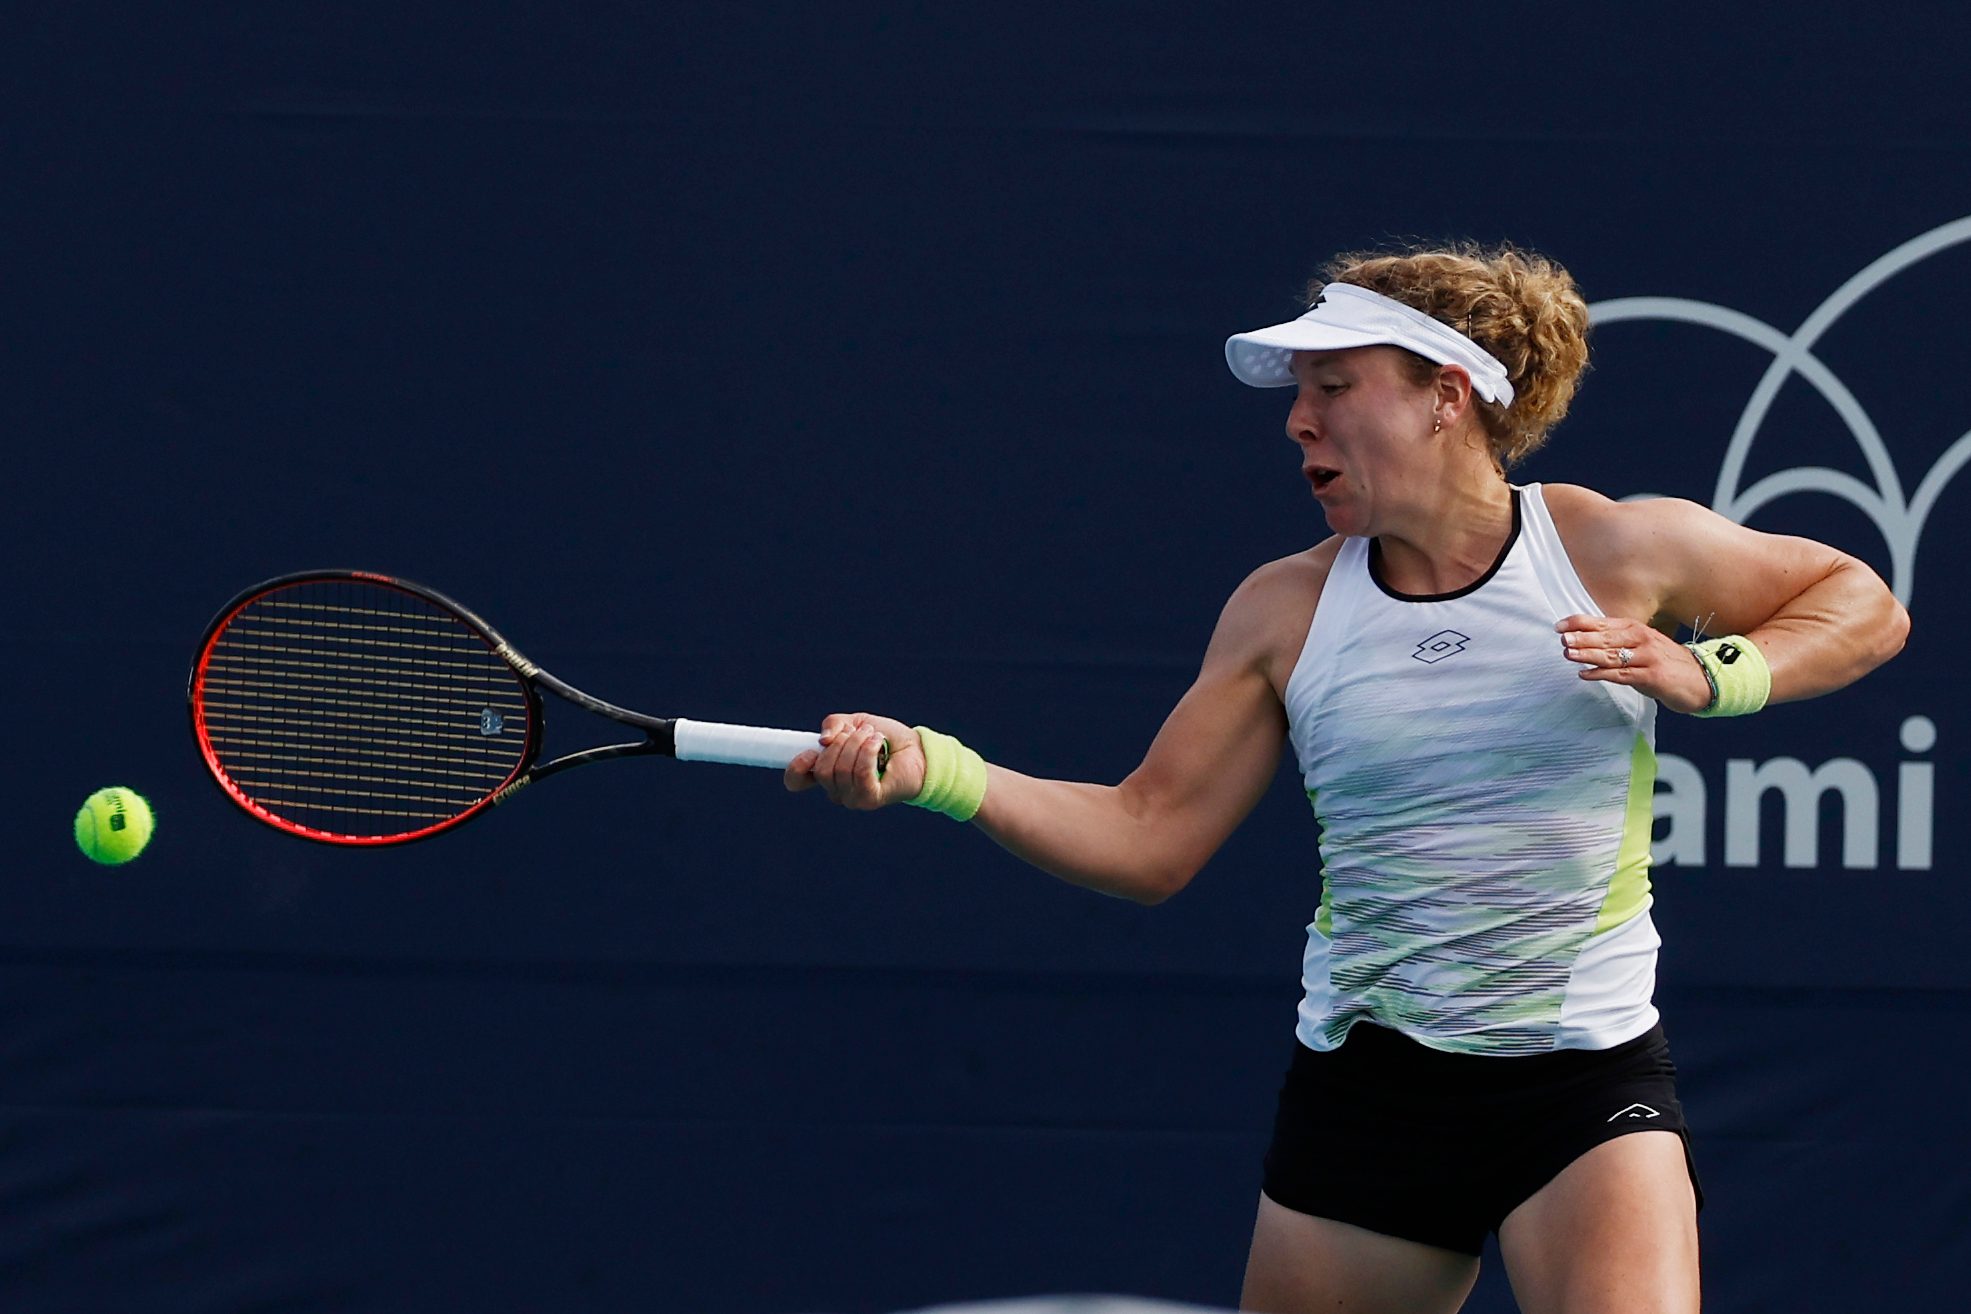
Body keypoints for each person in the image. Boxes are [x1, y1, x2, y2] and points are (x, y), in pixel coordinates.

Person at [784, 242, 1910, 1314]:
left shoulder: (1609, 548)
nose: (1297, 420)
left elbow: (1862, 602)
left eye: (1335, 385)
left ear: (1447, 395)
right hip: (1368, 1100)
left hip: (1582, 1088)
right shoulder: (1285, 609)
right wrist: (942, 770)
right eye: (1299, 392)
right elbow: (1146, 835)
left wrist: (1718, 673)